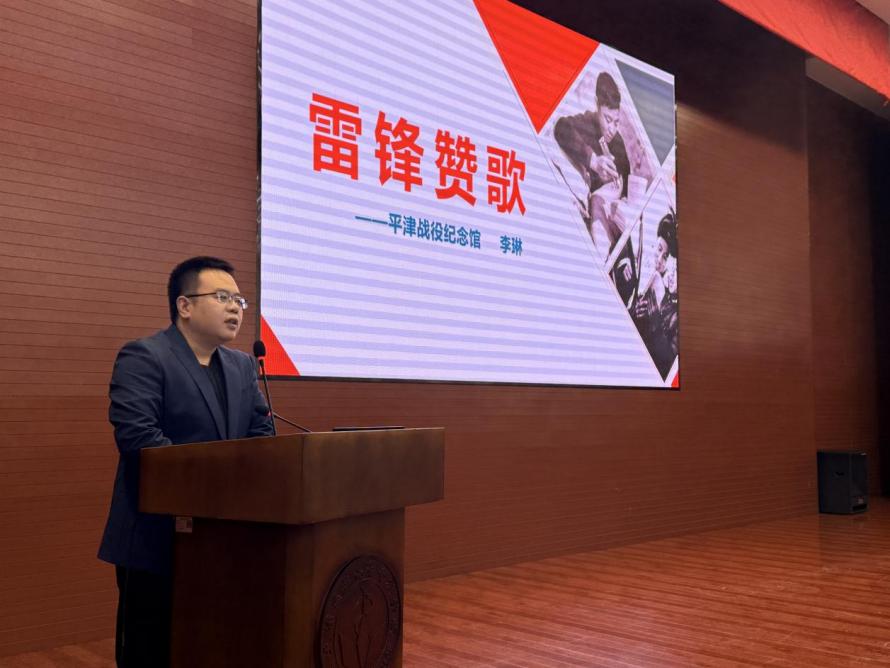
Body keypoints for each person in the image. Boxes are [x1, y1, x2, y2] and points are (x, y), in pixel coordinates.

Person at [97, 256, 274, 667]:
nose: (235, 308)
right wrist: (221, 482)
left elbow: (261, 435)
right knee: (150, 650)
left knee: (211, 645)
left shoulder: (242, 366)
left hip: (224, 538)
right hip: (157, 538)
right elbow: (140, 440)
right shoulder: (145, 357)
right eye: (223, 297)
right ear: (185, 305)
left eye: (239, 301)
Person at [633, 212, 679, 379]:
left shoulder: (677, 309)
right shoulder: (652, 282)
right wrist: (637, 314)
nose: (659, 260)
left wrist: (653, 318)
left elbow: (667, 365)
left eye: (666, 257)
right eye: (659, 249)